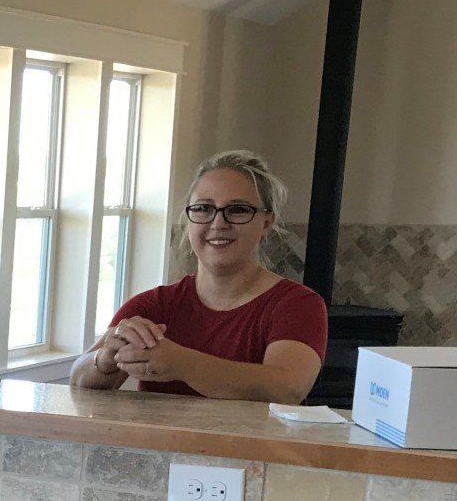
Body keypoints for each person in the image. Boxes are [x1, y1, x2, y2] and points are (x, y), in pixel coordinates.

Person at [71, 150, 326, 403]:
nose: (218, 223)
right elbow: (78, 379)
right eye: (204, 208)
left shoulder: (297, 304)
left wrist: (182, 364)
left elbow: (287, 389)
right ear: (189, 219)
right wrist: (104, 359)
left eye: (237, 210)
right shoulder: (153, 305)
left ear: (266, 223)